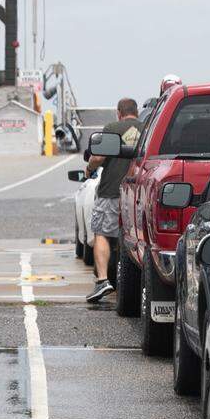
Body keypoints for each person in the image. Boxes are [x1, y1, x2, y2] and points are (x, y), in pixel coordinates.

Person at [84, 97, 143, 303]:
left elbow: (98, 157)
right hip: (138, 193)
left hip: (111, 191)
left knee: (102, 233)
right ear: (136, 111)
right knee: (133, 238)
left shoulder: (113, 127)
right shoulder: (147, 128)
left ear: (119, 112)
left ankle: (102, 281)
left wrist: (89, 168)